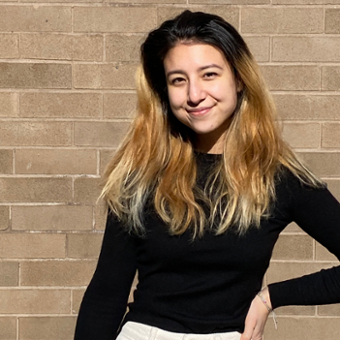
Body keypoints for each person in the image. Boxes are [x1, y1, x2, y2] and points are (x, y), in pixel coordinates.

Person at [74, 10, 340, 340]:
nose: (194, 94)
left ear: (239, 78)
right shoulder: (142, 172)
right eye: (178, 80)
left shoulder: (278, 177)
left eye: (209, 74)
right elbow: (106, 294)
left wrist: (273, 297)